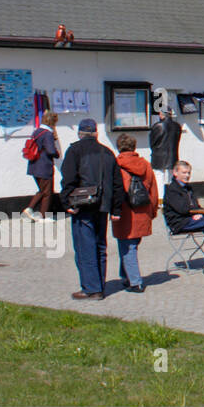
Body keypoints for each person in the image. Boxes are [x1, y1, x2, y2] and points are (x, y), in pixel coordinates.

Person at [60, 118, 122, 300]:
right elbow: (117, 183)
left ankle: (91, 288)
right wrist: (116, 209)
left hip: (83, 205)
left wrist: (67, 203)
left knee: (85, 247)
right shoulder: (107, 152)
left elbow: (68, 179)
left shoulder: (75, 150)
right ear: (96, 133)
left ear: (80, 133)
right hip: (103, 205)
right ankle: (99, 285)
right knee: (100, 245)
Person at [111, 134, 159, 292]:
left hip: (125, 212)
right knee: (131, 245)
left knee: (127, 247)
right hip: (142, 210)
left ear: (119, 147)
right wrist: (152, 210)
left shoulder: (116, 165)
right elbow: (153, 189)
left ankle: (135, 282)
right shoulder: (144, 164)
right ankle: (125, 276)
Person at [22, 112, 60, 222]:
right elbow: (50, 150)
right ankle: (43, 217)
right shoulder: (47, 134)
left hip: (34, 166)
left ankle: (30, 210)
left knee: (42, 190)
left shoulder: (37, 131)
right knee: (48, 193)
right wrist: (57, 154)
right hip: (44, 166)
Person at [148, 109, 182, 196]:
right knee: (171, 177)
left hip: (159, 155)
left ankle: (160, 199)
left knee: (159, 176)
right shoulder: (177, 126)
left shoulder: (158, 126)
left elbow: (152, 142)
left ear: (161, 114)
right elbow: (177, 140)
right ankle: (171, 196)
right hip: (172, 154)